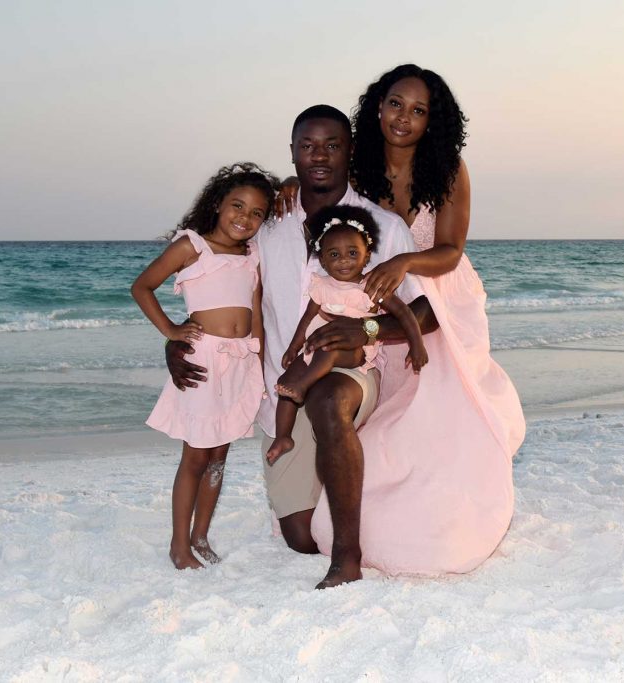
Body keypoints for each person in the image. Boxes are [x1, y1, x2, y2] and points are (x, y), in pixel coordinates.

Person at [166, 105, 437, 588]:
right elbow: (222, 285)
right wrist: (179, 335)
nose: (319, 155)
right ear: (291, 154)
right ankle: (348, 495)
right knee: (299, 535)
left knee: (330, 396)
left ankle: (347, 559)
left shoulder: (381, 226)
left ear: (350, 152)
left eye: (332, 145)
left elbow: (427, 311)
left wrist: (369, 331)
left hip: (352, 370)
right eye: (308, 146)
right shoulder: (266, 226)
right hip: (282, 390)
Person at [285, 65, 527, 575]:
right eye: (397, 104)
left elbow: (450, 250)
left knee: (441, 419)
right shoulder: (358, 165)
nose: (404, 118)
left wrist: (405, 262)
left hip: (437, 293)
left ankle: (445, 522)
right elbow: (322, 186)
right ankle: (378, 523)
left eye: (419, 110)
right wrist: (289, 181)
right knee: (393, 420)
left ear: (431, 121)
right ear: (378, 106)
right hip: (375, 297)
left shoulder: (447, 168)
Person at [132, 162, 277, 571]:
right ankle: (179, 545)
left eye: (256, 214)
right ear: (217, 204)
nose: (244, 219)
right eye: (237, 206)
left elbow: (256, 312)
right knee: (195, 456)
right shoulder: (191, 246)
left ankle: (201, 535)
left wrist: (260, 361)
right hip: (203, 360)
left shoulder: (252, 256)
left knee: (219, 456)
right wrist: (171, 331)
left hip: (240, 361)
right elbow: (141, 286)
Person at [266, 205, 427, 466]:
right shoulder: (321, 285)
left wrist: (416, 345)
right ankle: (284, 436)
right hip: (315, 348)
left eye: (352, 253)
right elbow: (306, 319)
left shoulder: (372, 287)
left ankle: (304, 386)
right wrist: (293, 348)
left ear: (366, 257)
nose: (344, 260)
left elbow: (405, 314)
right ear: (323, 259)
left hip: (354, 352)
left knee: (329, 345)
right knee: (285, 382)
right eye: (334, 254)